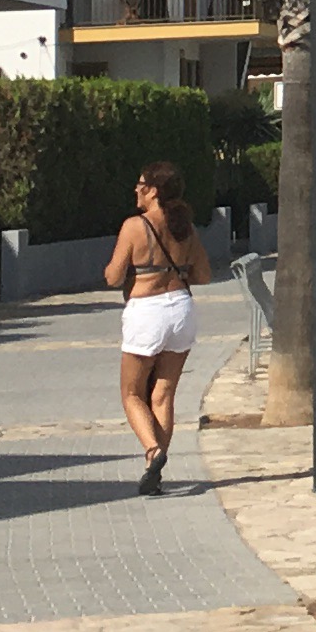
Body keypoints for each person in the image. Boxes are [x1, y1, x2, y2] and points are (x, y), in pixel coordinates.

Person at [103, 162, 208, 493]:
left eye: (141, 185)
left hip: (147, 312)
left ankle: (153, 450)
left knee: (132, 393)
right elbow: (204, 275)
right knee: (163, 394)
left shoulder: (135, 226)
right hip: (181, 309)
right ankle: (154, 473)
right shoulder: (185, 227)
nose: (136, 190)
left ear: (153, 191)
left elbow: (113, 277)